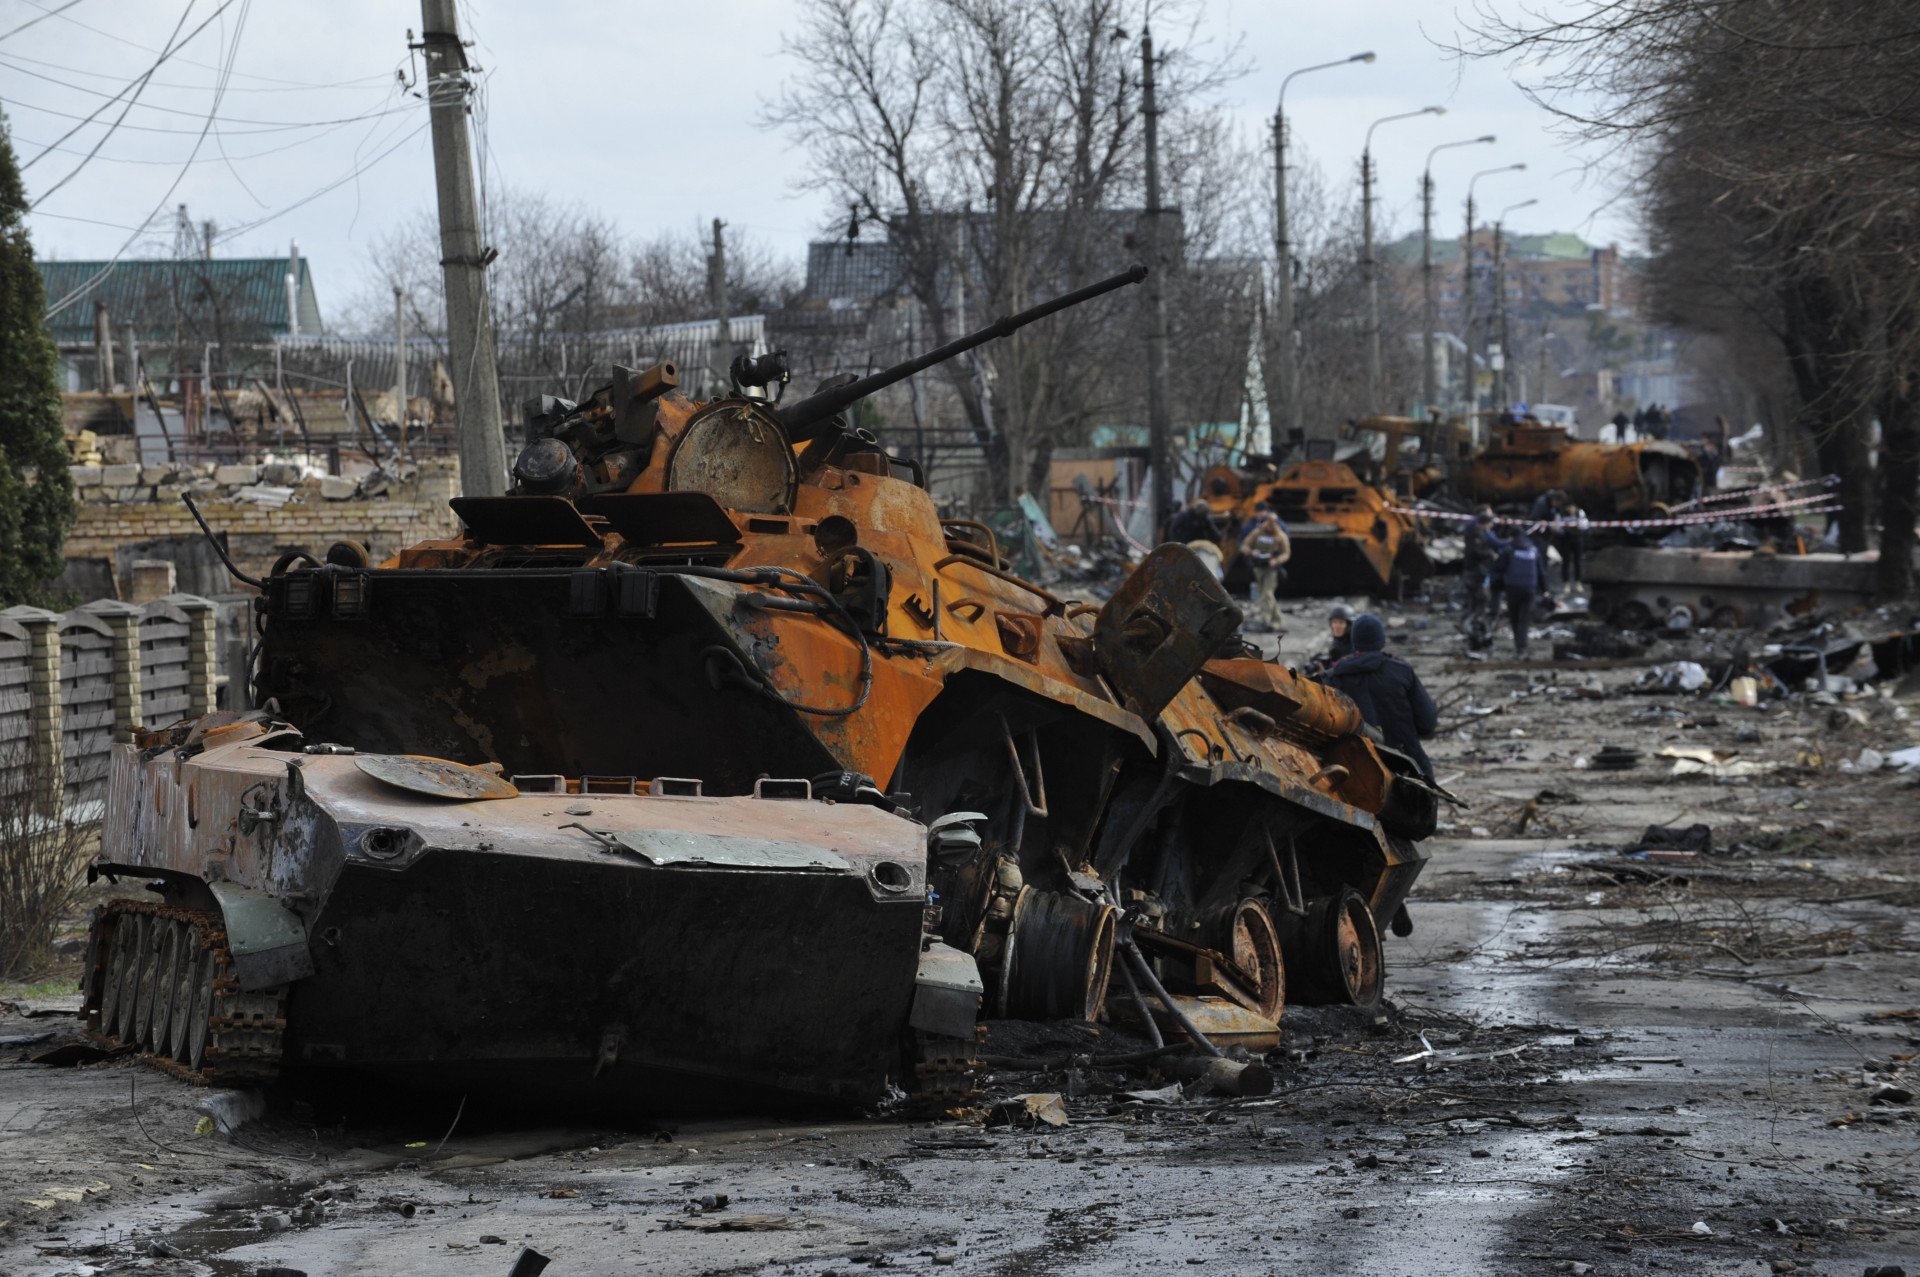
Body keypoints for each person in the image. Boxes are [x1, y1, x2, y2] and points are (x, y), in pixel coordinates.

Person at [1324, 614, 1439, 780]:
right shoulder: (1402, 671)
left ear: (1355, 642)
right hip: (1408, 766)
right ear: (1382, 641)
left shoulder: (1337, 677)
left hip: (1357, 770)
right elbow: (1427, 722)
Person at [1495, 532, 1552, 656]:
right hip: (1530, 588)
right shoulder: (1533, 549)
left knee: (1515, 618)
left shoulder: (1509, 549)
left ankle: (1519, 647)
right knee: (1525, 619)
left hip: (1513, 588)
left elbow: (1499, 568)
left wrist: (1497, 586)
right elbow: (1541, 572)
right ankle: (1523, 647)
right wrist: (1545, 591)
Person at [1238, 506, 1291, 633]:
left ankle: (1266, 620)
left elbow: (1286, 553)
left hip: (1271, 568)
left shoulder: (1280, 536)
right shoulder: (1257, 533)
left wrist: (1276, 560)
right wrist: (1252, 552)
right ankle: (1279, 621)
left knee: (1267, 594)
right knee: (1266, 595)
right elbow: (1244, 546)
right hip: (1258, 567)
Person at [1461, 507, 1506, 626]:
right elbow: (1475, 551)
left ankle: (1469, 622)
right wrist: (1491, 554)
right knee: (1480, 598)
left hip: (1474, 570)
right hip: (1474, 570)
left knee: (1475, 599)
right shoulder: (1477, 534)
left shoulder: (1478, 532)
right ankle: (1472, 622)